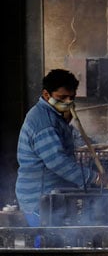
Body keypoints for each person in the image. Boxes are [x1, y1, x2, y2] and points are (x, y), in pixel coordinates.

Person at [15, 69, 103, 227]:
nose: (68, 102)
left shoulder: (55, 114)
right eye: (62, 97)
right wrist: (94, 178)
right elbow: (58, 162)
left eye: (72, 97)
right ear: (47, 95)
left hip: (53, 196)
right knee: (45, 244)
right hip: (39, 199)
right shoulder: (43, 121)